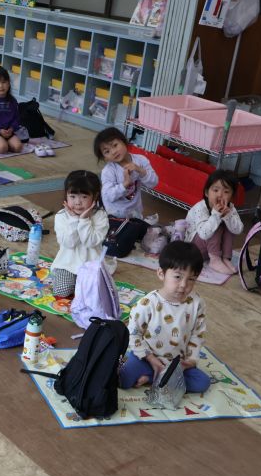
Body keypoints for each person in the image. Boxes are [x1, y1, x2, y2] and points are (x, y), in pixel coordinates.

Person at [120, 240, 211, 394]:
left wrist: (190, 361)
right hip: (146, 358)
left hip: (175, 365)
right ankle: (157, 376)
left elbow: (197, 334)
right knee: (123, 379)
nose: (184, 285)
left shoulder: (197, 303)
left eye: (191, 279)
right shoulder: (147, 304)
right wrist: (150, 358)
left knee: (202, 383)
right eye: (178, 277)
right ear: (161, 274)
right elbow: (133, 334)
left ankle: (152, 378)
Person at [94, 127, 158, 261]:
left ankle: (135, 229)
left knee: (154, 236)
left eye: (115, 145)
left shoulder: (140, 160)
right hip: (115, 217)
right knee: (119, 249)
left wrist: (140, 170)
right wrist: (125, 184)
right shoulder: (109, 171)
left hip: (135, 215)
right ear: (104, 157)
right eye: (107, 151)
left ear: (124, 141)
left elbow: (153, 182)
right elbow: (108, 196)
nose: (113, 152)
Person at [50, 170, 109, 298]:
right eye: (72, 196)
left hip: (92, 267)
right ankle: (70, 281)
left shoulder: (100, 216)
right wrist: (74, 219)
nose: (78, 202)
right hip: (67, 265)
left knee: (94, 294)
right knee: (61, 291)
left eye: (84, 197)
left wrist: (84, 220)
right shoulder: (61, 216)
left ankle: (81, 284)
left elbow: (91, 242)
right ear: (66, 195)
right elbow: (69, 243)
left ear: (95, 196)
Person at [185, 170, 243, 275]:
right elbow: (203, 234)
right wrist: (216, 215)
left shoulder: (230, 208)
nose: (220, 195)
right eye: (215, 190)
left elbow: (238, 230)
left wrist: (228, 216)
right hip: (194, 250)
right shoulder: (200, 208)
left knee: (230, 225)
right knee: (215, 225)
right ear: (207, 193)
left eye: (226, 192)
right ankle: (215, 260)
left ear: (232, 196)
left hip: (213, 249)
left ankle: (225, 258)